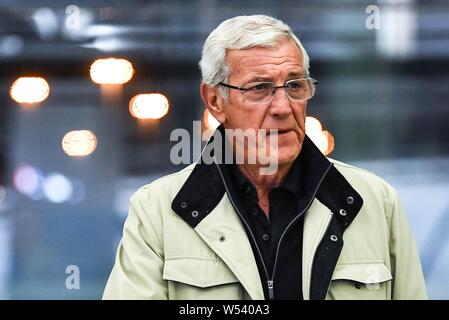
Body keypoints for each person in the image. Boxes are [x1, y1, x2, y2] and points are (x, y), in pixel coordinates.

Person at [103, 15, 427, 300]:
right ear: (215, 100)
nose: (284, 108)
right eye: (259, 88)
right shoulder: (157, 211)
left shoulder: (375, 203)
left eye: (295, 85)